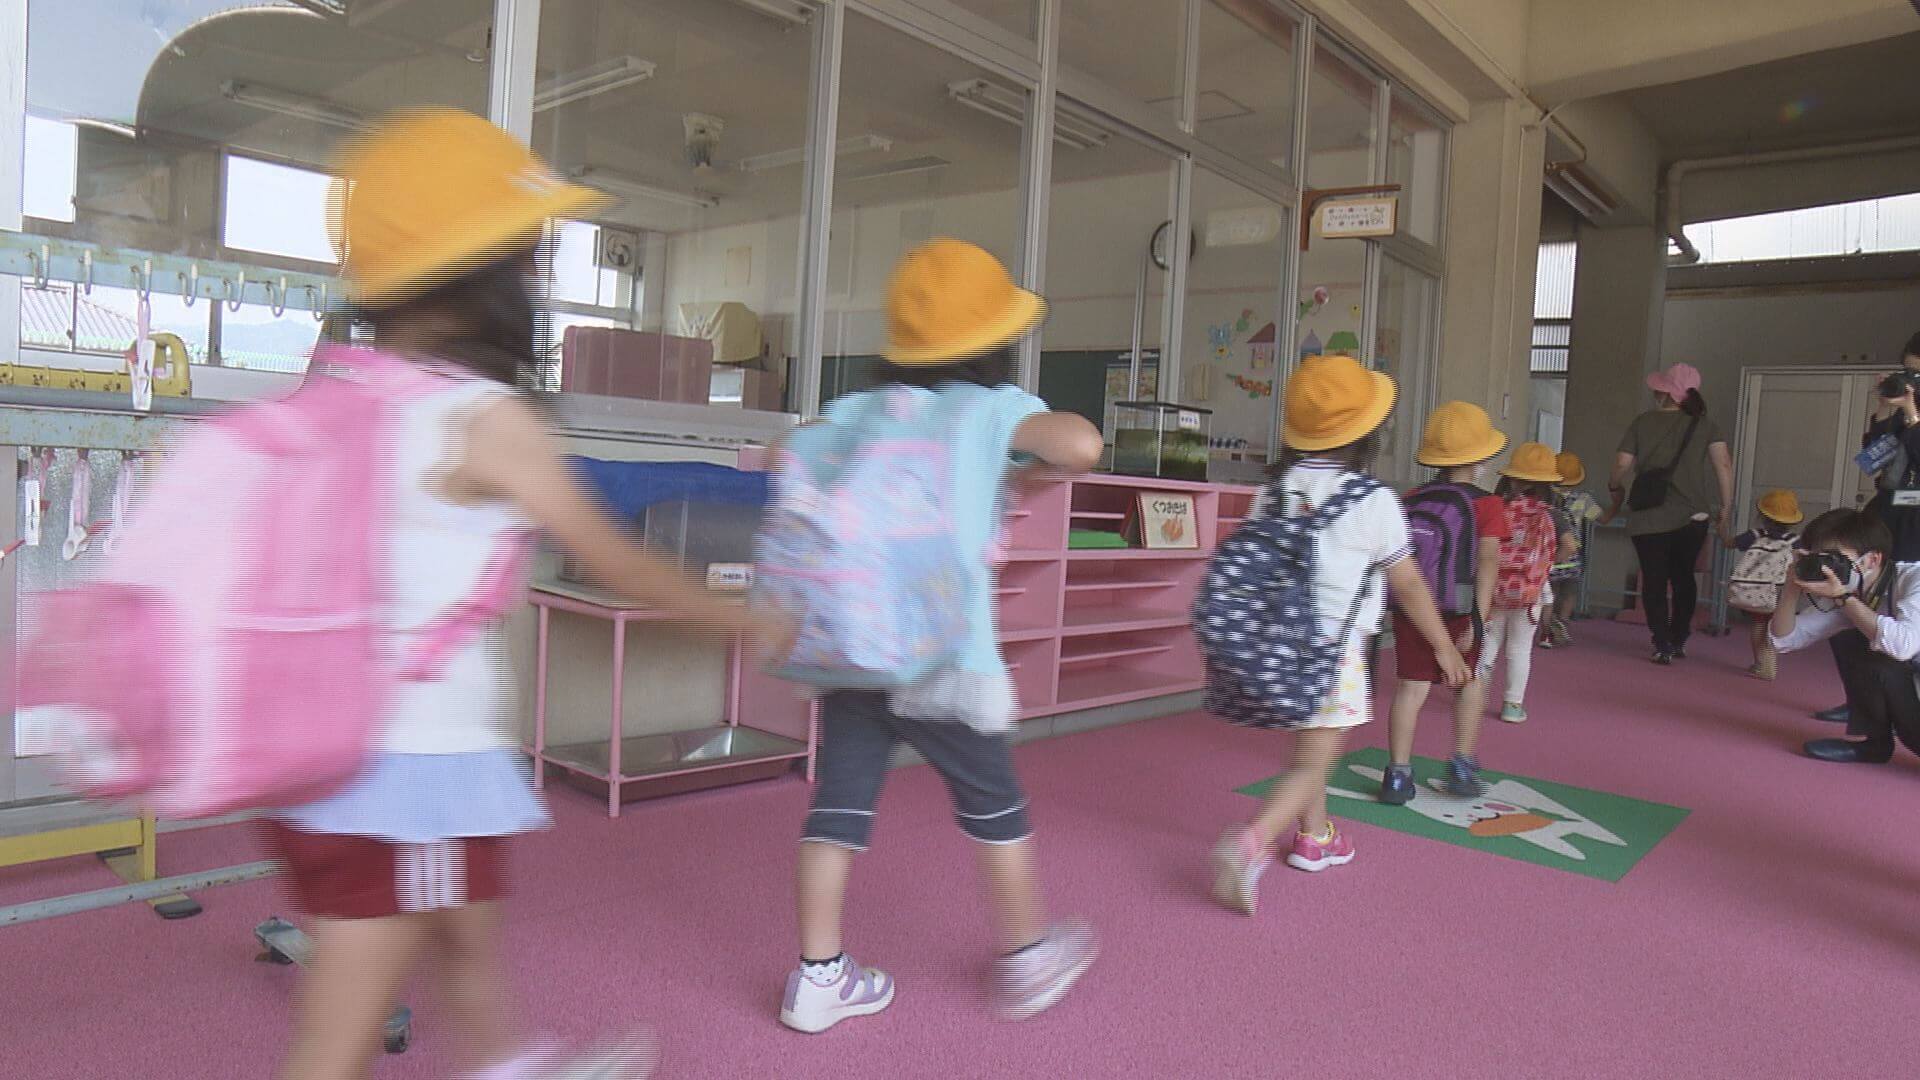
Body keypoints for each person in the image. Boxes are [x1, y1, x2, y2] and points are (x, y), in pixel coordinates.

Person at [262, 110, 782, 1080]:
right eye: (528, 261)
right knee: (337, 1034)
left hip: (334, 746)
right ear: (481, 285)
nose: (537, 283)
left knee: (466, 927)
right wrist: (749, 617)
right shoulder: (483, 419)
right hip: (401, 772)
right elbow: (619, 561)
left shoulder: (338, 393)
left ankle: (505, 1061)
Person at [781, 239, 1105, 1033]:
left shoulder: (855, 412)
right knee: (995, 805)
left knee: (839, 808)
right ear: (993, 342)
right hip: (944, 658)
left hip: (853, 647)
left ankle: (818, 974)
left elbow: (811, 463)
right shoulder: (989, 409)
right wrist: (1021, 436)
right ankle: (1027, 954)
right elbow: (1083, 447)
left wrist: (1004, 476)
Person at [1212, 356, 1471, 915]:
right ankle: (1251, 841)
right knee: (1315, 759)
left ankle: (1317, 837)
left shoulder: (1273, 493)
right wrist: (1444, 644)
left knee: (1311, 744)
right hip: (1334, 651)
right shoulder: (1373, 502)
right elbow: (1409, 584)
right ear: (1367, 433)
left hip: (1275, 644)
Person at [1381, 401, 1508, 804]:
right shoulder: (1487, 504)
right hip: (1459, 609)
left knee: (1410, 690)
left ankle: (1398, 775)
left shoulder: (1412, 497)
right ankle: (1461, 764)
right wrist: (1480, 619)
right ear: (1482, 456)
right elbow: (1488, 562)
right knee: (1470, 683)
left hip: (1412, 610)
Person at [1819, 332, 1920, 724]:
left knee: (1904, 625)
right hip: (1884, 519)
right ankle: (1860, 704)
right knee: (1853, 610)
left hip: (1916, 530)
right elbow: (1869, 462)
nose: (1910, 383)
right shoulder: (1897, 415)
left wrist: (1912, 417)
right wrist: (1882, 411)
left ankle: (1899, 711)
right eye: (1908, 373)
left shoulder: (1911, 419)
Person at [1606, 363, 1735, 665]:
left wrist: (1615, 487)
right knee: (1684, 578)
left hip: (1650, 515)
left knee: (1653, 579)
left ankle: (1661, 642)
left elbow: (1622, 465)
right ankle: (1679, 638)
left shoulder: (1642, 423)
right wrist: (1725, 508)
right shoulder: (1706, 425)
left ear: (1666, 392)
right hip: (1694, 516)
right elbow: (1724, 466)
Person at [1769, 509, 1920, 764]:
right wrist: (1791, 589)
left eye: (1835, 558)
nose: (1827, 567)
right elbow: (1784, 639)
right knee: (1854, 635)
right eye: (1820, 558)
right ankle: (1874, 744)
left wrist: (1843, 598)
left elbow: (1903, 645)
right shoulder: (1856, 593)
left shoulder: (1914, 580)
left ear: (1871, 560)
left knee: (1874, 636)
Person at [1480, 444, 1574, 724]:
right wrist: (1545, 563)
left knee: (1489, 641)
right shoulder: (1550, 514)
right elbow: (1569, 545)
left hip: (1495, 586)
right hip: (1531, 589)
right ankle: (1512, 705)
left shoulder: (1497, 507)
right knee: (1520, 648)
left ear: (1511, 478)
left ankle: (1474, 694)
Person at [1725, 489, 1803, 680]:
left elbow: (1730, 543)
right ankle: (1768, 663)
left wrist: (1722, 524)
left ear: (1763, 515)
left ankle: (1763, 664)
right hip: (1780, 590)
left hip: (1756, 589)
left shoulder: (1755, 535)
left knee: (1759, 625)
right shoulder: (1795, 541)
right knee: (1774, 626)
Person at [1539, 451, 1601, 650]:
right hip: (1572, 554)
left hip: (1550, 552)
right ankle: (1562, 624)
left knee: (1550, 593)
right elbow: (1602, 517)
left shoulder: (1545, 498)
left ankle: (1545, 632)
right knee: (1570, 592)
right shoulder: (1582, 499)